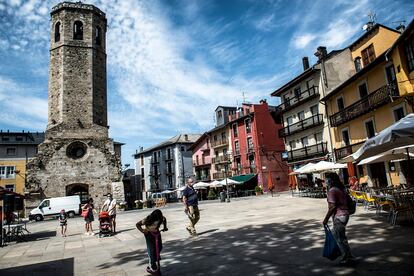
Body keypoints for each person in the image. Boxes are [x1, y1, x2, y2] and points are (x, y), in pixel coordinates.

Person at [323, 173, 354, 264]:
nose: (325, 181)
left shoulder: (332, 191)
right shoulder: (341, 189)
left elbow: (332, 207)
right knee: (340, 237)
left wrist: (326, 219)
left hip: (339, 216)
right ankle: (348, 255)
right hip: (345, 215)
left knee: (339, 238)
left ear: (331, 180)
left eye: (327, 179)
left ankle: (346, 258)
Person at [136, 209, 168, 275]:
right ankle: (152, 265)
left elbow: (164, 219)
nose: (159, 218)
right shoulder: (147, 219)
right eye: (158, 217)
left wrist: (165, 227)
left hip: (157, 233)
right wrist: (142, 231)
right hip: (149, 234)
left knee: (160, 247)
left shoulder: (161, 218)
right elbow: (137, 224)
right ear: (154, 217)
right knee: (152, 249)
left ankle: (154, 257)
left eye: (160, 217)